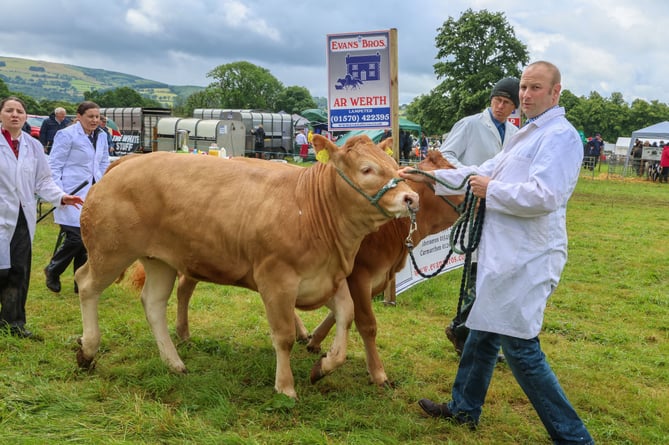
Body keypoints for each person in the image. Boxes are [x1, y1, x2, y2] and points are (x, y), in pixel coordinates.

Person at [399, 61, 594, 444]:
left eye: (535, 88)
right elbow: (477, 171)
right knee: (482, 333)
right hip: (503, 255)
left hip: (528, 258)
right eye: (524, 87)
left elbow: (546, 195)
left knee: (520, 347)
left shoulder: (561, 137)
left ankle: (574, 438)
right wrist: (427, 175)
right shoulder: (524, 134)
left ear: (556, 93)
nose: (525, 95)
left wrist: (493, 191)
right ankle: (463, 409)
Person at [438, 76, 520, 356]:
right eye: (497, 100)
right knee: (477, 269)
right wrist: (474, 173)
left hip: (497, 205)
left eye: (507, 102)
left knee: (491, 269)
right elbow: (445, 154)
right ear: (491, 100)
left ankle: (463, 328)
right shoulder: (471, 124)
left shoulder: (513, 133)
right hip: (473, 201)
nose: (500, 106)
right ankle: (465, 332)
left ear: (514, 108)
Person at [0, 96, 83, 338]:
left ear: (25, 116)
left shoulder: (33, 146)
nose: (15, 115)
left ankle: (13, 324)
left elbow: (43, 180)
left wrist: (61, 196)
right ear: (1, 115)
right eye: (9, 110)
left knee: (18, 269)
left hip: (21, 218)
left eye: (19, 111)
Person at [44, 101, 109, 294]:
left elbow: (104, 160)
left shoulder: (102, 136)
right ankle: (53, 269)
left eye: (97, 117)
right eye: (90, 116)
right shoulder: (66, 135)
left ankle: (78, 282)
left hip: (92, 193)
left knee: (86, 239)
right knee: (75, 238)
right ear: (79, 117)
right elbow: (54, 165)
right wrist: (60, 194)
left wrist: (103, 183)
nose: (94, 120)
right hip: (70, 192)